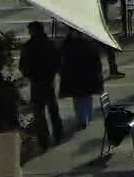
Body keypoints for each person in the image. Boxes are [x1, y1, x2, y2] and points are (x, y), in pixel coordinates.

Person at [19, 21, 64, 150]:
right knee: (53, 109)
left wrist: (29, 75)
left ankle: (43, 139)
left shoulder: (28, 46)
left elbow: (23, 66)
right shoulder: (50, 44)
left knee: (39, 112)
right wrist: (53, 72)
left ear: (32, 31)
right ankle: (58, 134)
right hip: (49, 80)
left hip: (36, 82)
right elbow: (58, 60)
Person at [59, 28, 105, 133]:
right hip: (86, 75)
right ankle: (86, 117)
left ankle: (82, 118)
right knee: (86, 97)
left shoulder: (67, 44)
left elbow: (63, 59)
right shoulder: (88, 43)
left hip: (74, 75)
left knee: (78, 98)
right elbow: (96, 59)